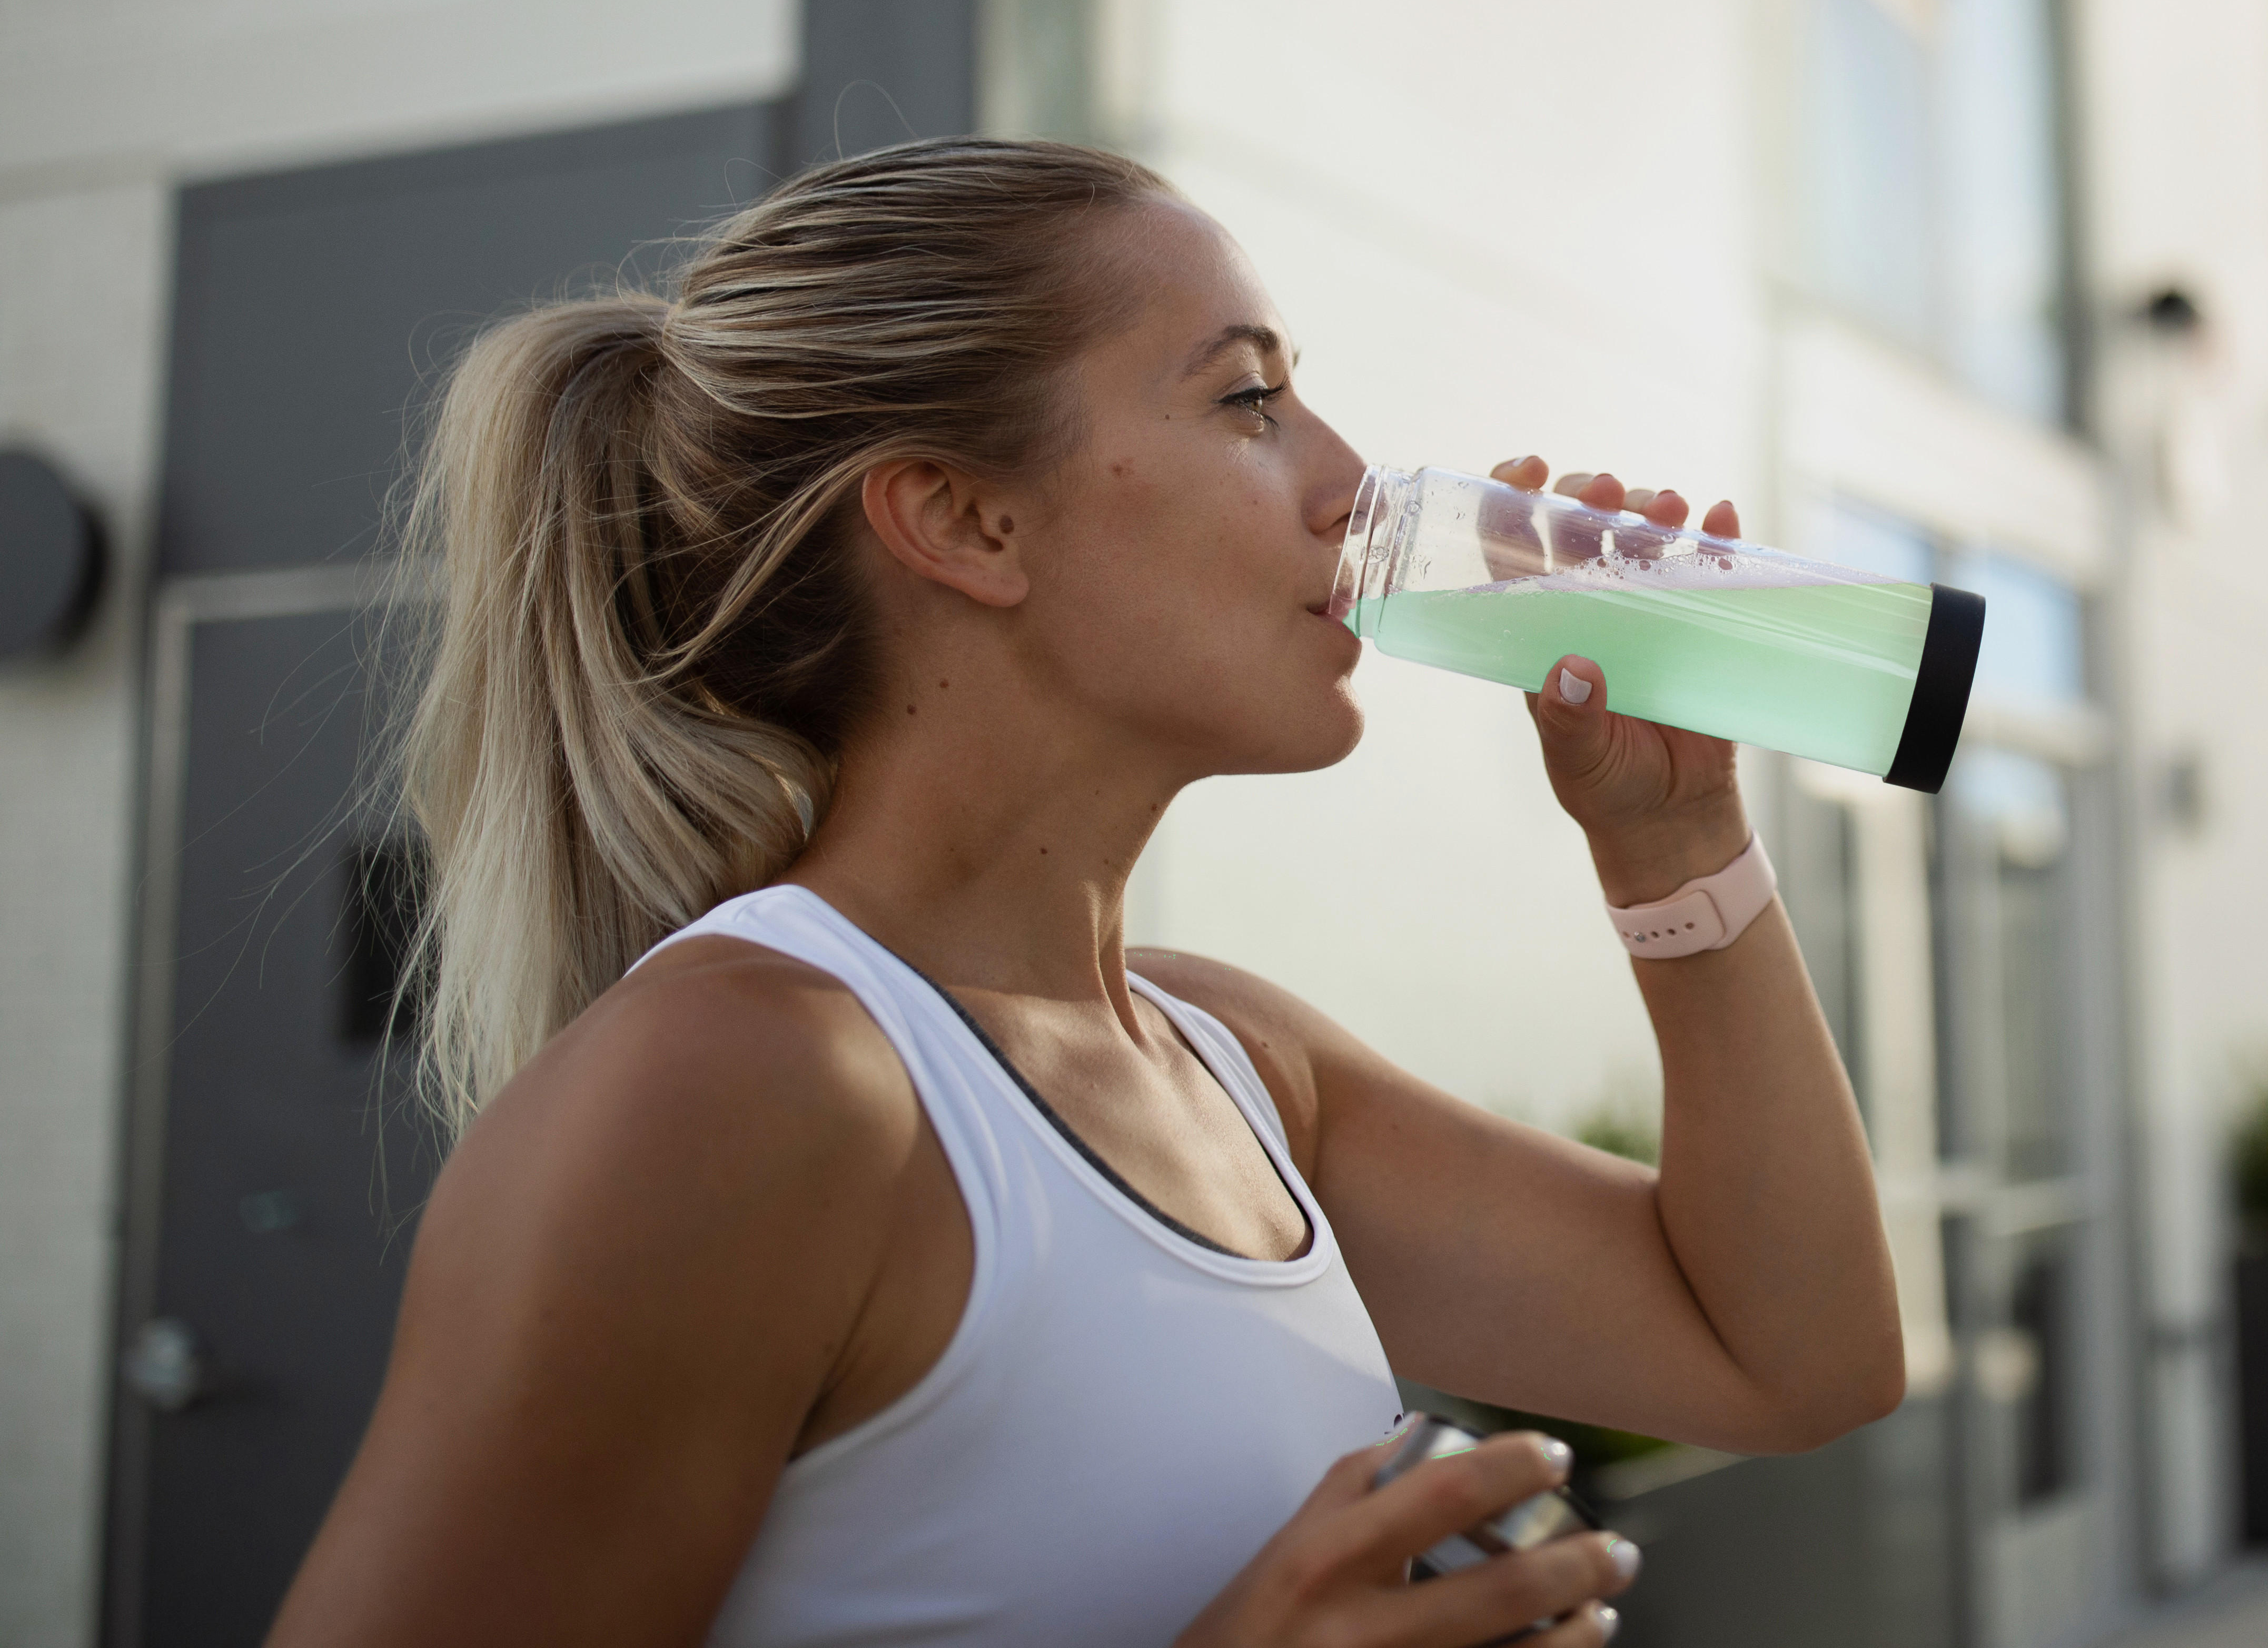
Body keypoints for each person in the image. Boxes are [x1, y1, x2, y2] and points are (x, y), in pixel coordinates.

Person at [270, 138, 1904, 1647]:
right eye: (1250, 402)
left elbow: (1791, 1359)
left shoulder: (1231, 1066)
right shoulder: (745, 1086)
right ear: (966, 521)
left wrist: (1675, 850)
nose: (1351, 481)